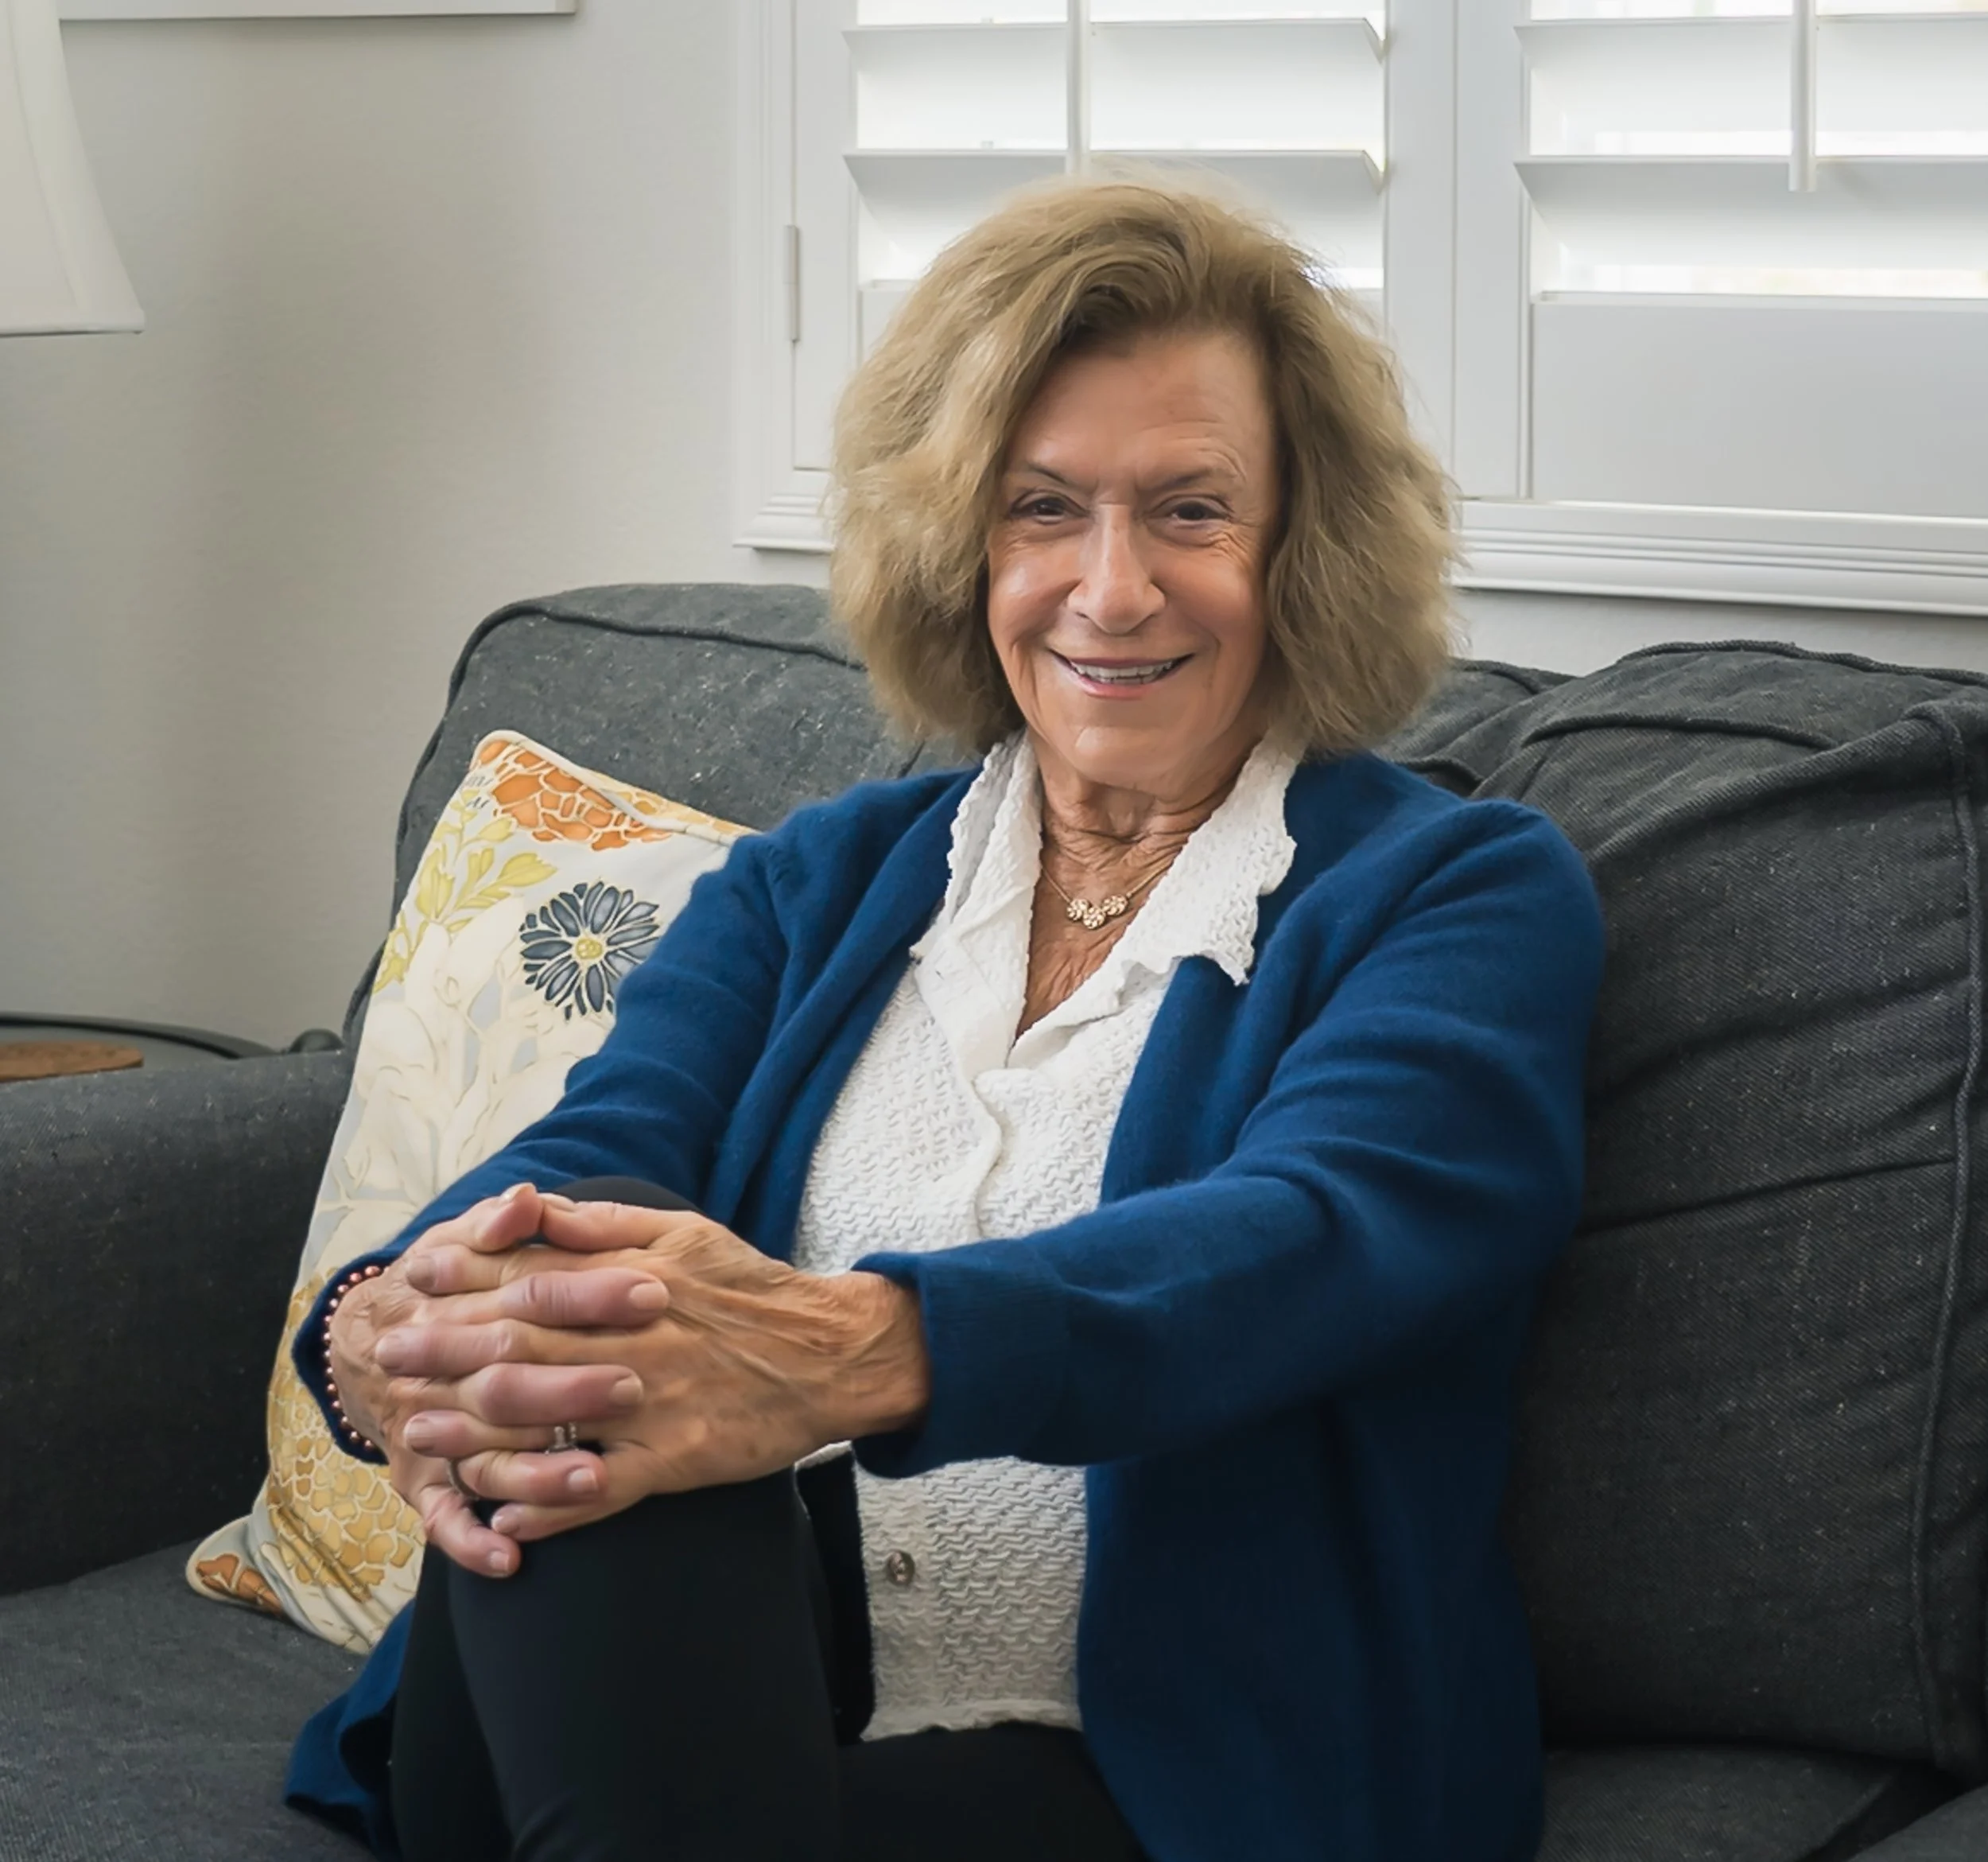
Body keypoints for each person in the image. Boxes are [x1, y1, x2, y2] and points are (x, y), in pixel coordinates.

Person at [287, 177, 1603, 1862]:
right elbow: (598, 1154)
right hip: (710, 1686)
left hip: (1150, 1766)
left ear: (1301, 547)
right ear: (960, 543)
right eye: (1042, 507)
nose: (1110, 590)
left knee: (645, 1384)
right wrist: (389, 1332)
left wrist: (837, 1353)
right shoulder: (816, 883)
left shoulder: (1454, 893)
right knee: (592, 1325)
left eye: (1190, 511)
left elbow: (1316, 1239)